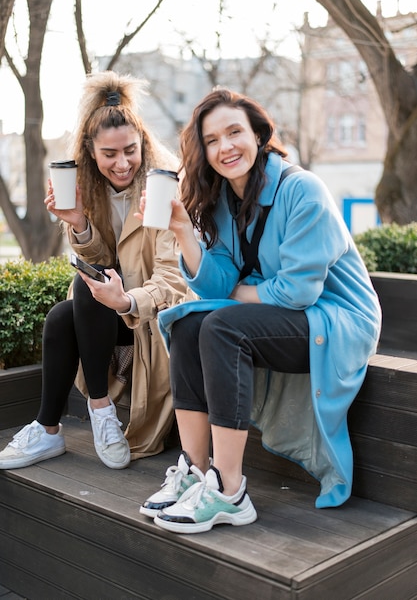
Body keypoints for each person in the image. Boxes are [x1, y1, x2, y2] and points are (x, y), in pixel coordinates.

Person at [136, 87, 382, 534]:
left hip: (335, 319)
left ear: (259, 135)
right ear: (203, 152)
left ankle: (230, 492)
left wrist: (237, 294)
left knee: (222, 325)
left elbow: (297, 292)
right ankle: (195, 472)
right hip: (285, 317)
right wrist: (183, 233)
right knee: (190, 323)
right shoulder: (227, 203)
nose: (225, 146)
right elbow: (216, 284)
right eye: (212, 140)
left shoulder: (302, 189)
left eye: (235, 132)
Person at [0, 70, 191, 471]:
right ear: (90, 152)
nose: (122, 163)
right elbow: (99, 259)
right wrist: (80, 223)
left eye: (130, 150)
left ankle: (80, 416)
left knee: (77, 300)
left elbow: (174, 280)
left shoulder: (165, 188)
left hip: (154, 320)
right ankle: (63, 424)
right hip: (103, 316)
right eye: (109, 154)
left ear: (144, 143)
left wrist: (127, 299)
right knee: (65, 309)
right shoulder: (92, 189)